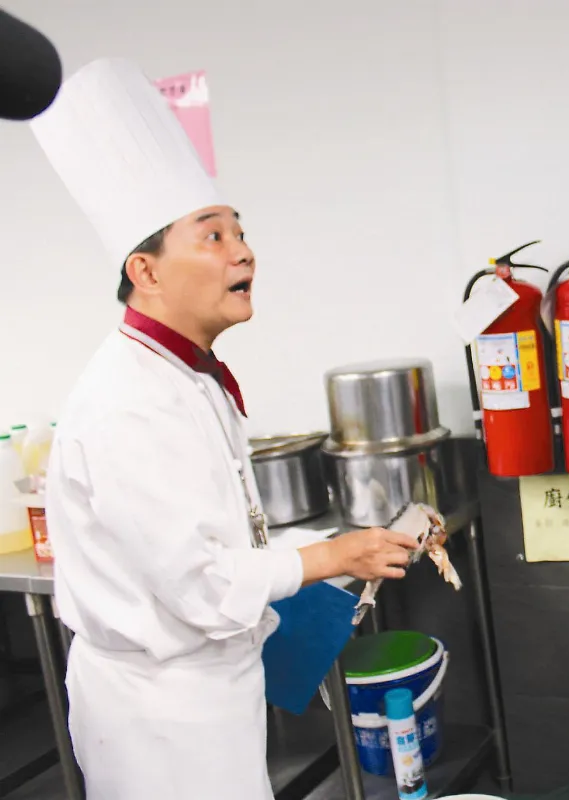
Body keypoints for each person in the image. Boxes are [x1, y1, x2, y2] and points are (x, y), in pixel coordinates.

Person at [34, 58, 418, 800]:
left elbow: (215, 547)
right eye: (211, 237)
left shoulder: (187, 375)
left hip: (207, 696)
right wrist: (332, 552)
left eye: (240, 232)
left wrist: (334, 549)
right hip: (157, 716)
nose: (243, 251)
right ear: (145, 273)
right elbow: (200, 586)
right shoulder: (128, 401)